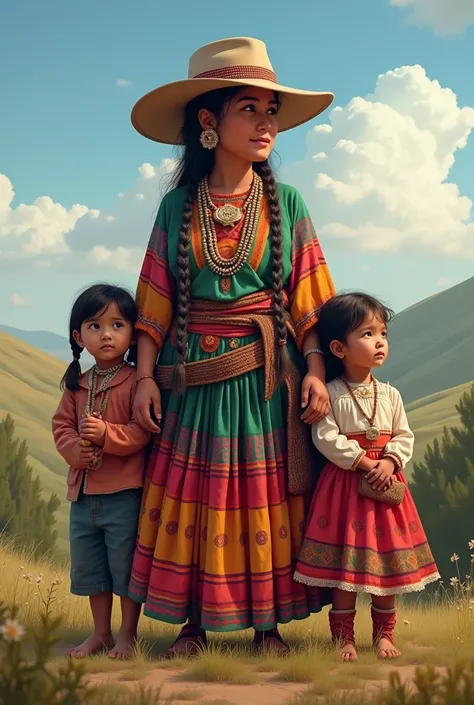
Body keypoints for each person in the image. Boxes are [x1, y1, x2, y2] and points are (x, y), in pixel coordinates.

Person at [128, 36, 337, 656]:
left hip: (267, 376)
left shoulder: (287, 204)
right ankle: (195, 622)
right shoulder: (176, 208)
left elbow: (310, 302)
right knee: (198, 495)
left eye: (271, 111)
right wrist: (143, 379)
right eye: (251, 109)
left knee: (265, 495)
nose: (267, 123)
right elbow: (153, 306)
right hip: (191, 380)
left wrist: (318, 371)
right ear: (209, 121)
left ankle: (268, 625)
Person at [293, 293, 440, 661]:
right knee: (347, 568)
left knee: (385, 566)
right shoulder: (331, 393)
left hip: (386, 487)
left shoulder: (390, 394)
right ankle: (343, 637)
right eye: (368, 334)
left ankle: (384, 635)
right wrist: (362, 462)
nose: (379, 342)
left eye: (383, 334)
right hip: (345, 488)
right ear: (339, 348)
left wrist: (390, 461)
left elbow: (404, 435)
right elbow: (324, 436)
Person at [52, 284, 150, 659]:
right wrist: (75, 449)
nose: (106, 334)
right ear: (79, 337)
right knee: (92, 570)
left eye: (117, 324)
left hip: (123, 494)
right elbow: (61, 426)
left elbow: (143, 431)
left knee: (123, 570)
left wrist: (107, 434)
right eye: (94, 326)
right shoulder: (77, 385)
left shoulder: (136, 382)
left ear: (132, 333)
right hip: (82, 495)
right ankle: (100, 633)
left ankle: (127, 635)